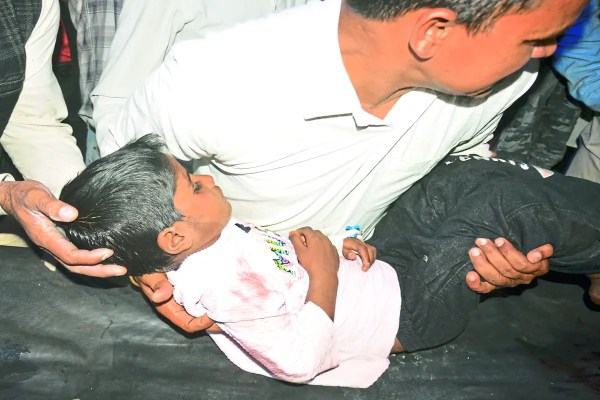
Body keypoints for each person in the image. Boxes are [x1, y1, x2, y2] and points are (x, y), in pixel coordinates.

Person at [93, 0, 585, 332]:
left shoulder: (505, 80)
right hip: (252, 302)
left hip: (376, 276)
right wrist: (149, 268)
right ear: (432, 33)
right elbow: (117, 189)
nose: (547, 54)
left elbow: (457, 163)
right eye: (537, 39)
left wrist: (493, 250)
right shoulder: (210, 81)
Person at [58, 134, 600, 386]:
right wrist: (324, 273)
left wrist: (345, 244)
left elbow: (285, 260)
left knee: (457, 179)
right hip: (407, 314)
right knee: (501, 206)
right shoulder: (225, 285)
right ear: (175, 236)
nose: (207, 178)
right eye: (195, 186)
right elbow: (298, 362)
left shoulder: (210, 240)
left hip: (383, 268)